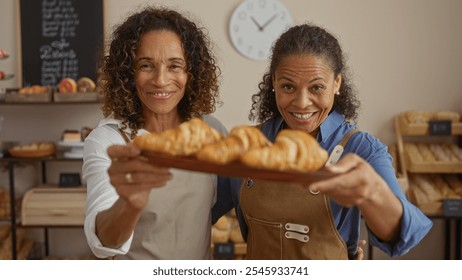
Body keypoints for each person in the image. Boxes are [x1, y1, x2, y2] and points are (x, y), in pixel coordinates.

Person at [214, 23, 433, 259]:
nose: (302, 103)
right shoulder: (245, 145)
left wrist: (372, 192)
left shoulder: (361, 149)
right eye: (288, 86)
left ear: (336, 83)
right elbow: (200, 211)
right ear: (274, 82)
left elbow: (403, 236)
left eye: (317, 87)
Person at [82, 6, 230, 259]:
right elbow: (104, 242)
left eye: (174, 66)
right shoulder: (108, 140)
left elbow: (219, 206)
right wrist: (130, 203)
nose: (161, 80)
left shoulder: (211, 131)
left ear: (191, 73)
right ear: (128, 74)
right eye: (146, 65)